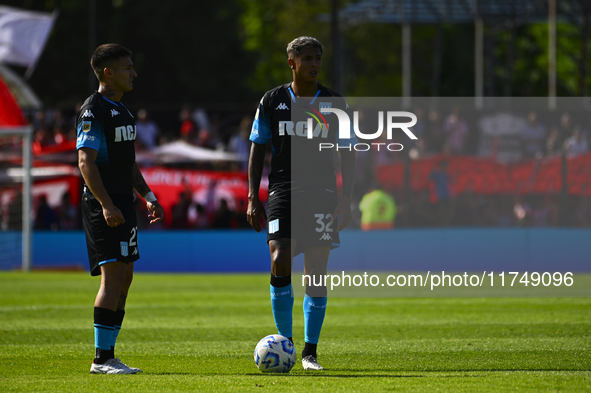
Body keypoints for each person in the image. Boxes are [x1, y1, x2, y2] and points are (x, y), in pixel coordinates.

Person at [247, 36, 356, 371]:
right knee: (279, 259)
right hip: (283, 190)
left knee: (316, 269)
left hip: (323, 192)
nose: (314, 64)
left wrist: (347, 199)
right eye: (307, 58)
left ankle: (310, 352)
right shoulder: (272, 100)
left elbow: (349, 153)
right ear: (291, 62)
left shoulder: (336, 103)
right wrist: (253, 196)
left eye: (318, 58)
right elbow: (258, 148)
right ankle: (286, 343)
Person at [76, 43, 164, 374]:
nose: (134, 73)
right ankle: (101, 359)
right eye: (128, 67)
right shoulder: (93, 110)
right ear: (108, 72)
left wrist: (148, 195)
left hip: (123, 203)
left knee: (125, 277)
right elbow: (86, 161)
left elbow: (128, 163)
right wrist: (107, 204)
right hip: (105, 205)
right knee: (112, 279)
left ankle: (110, 353)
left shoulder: (123, 110)